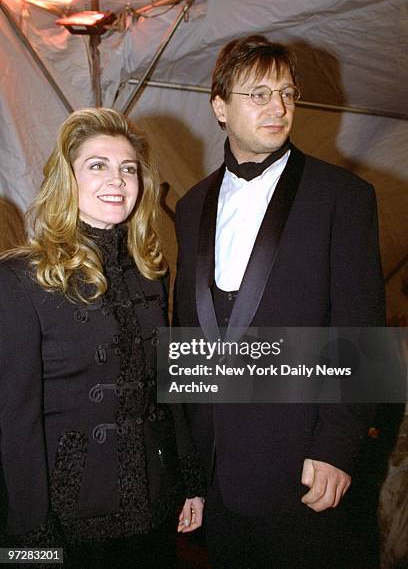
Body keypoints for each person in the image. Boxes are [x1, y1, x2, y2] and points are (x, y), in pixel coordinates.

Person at [174, 35, 385, 568]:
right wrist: (191, 471)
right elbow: (188, 337)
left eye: (288, 93)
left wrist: (338, 446)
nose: (279, 107)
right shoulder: (193, 202)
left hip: (304, 469)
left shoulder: (343, 196)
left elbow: (363, 330)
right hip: (218, 480)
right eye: (260, 94)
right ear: (219, 106)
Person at [0, 108, 204, 568]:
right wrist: (28, 542)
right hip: (66, 514)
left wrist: (189, 480)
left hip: (153, 502)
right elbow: (14, 425)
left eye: (127, 168)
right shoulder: (20, 279)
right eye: (98, 165)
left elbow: (170, 388)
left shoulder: (152, 272)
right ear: (66, 179)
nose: (117, 179)